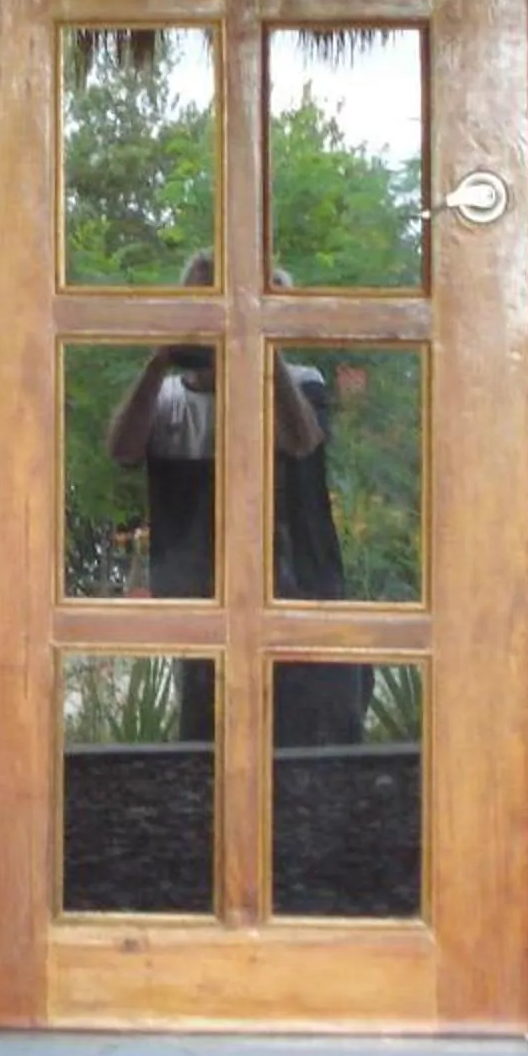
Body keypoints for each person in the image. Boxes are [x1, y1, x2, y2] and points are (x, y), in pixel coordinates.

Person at [104, 255, 367, 747]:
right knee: (211, 742)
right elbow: (122, 448)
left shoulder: (299, 382)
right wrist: (159, 358)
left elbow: (301, 439)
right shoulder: (165, 400)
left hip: (300, 594)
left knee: (310, 741)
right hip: (203, 602)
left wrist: (262, 350)